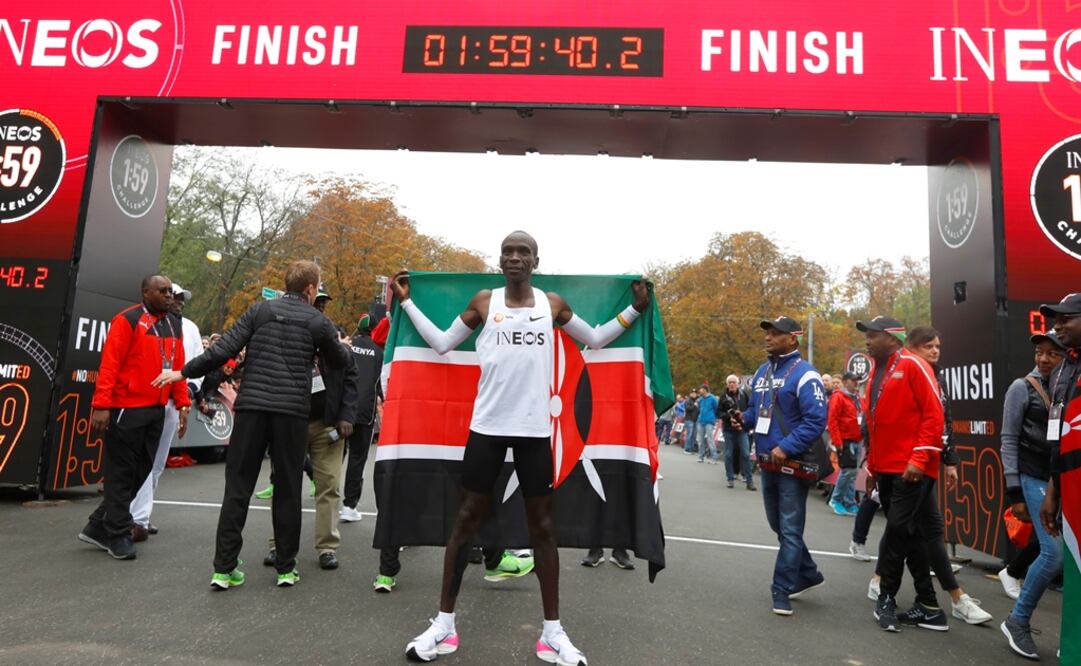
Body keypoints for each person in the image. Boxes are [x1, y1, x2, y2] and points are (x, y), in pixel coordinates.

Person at [392, 230, 650, 665]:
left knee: (543, 529)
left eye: (523, 252)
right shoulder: (483, 302)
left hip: (534, 432)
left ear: (535, 262)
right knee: (465, 522)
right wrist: (406, 303)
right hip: (487, 429)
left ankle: (552, 633)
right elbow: (441, 343)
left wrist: (634, 309)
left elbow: (595, 339)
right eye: (508, 252)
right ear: (500, 261)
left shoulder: (552, 305)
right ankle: (444, 625)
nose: (514, 258)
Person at [153, 260, 350, 590]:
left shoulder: (259, 311)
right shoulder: (318, 321)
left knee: (238, 488)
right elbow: (341, 362)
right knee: (288, 489)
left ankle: (223, 568)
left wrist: (183, 372)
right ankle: (286, 568)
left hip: (252, 410)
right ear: (310, 288)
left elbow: (223, 349)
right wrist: (336, 346)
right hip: (291, 413)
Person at [78, 275, 190, 560]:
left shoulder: (173, 324)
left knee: (142, 471)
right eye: (162, 291)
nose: (168, 295)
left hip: (156, 409)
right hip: (126, 408)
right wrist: (101, 405)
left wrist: (183, 402)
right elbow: (110, 364)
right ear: (145, 292)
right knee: (121, 472)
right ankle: (117, 534)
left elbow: (177, 366)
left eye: (170, 291)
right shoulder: (126, 320)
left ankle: (98, 525)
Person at [891, 326, 991, 628]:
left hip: (924, 465)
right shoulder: (902, 373)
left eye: (937, 346)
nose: (935, 351)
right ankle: (943, 598)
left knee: (921, 529)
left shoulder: (937, 377)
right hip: (904, 465)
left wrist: (949, 460)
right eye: (928, 346)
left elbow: (943, 422)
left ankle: (951, 599)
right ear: (911, 347)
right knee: (905, 529)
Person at [1000, 296, 1078, 659]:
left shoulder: (1067, 377)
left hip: (1061, 478)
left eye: (1052, 353)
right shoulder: (1022, 388)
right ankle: (1017, 620)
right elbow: (1008, 440)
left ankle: (1070, 637)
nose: (1044, 359)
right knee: (1054, 554)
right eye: (1039, 352)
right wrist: (1015, 490)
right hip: (1036, 478)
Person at [857, 316, 944, 633]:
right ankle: (929, 606)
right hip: (886, 467)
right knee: (910, 533)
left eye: (873, 335)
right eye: (867, 335)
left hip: (910, 468)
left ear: (892, 338)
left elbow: (935, 415)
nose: (867, 340)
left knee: (896, 531)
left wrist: (918, 459)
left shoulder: (913, 364)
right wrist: (872, 466)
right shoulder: (874, 372)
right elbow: (874, 424)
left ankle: (886, 597)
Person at [742, 316, 827, 616]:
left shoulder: (807, 374)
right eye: (767, 332)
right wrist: (742, 420)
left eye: (775, 333)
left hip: (792, 464)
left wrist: (786, 447)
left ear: (793, 338)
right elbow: (754, 411)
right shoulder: (762, 371)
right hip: (767, 464)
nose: (768, 337)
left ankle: (781, 588)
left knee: (790, 530)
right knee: (778, 526)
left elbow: (816, 420)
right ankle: (809, 573)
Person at [264, 324, 360, 571]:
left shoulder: (339, 351)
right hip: (290, 423)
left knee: (329, 485)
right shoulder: (289, 345)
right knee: (284, 484)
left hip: (327, 425)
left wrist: (347, 416)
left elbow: (351, 380)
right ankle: (278, 545)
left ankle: (327, 547)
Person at [129, 282, 203, 541]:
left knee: (157, 463)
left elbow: (196, 365)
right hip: (147, 401)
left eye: (181, 297)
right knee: (143, 460)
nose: (178, 300)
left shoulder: (190, 328)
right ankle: (136, 517)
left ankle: (141, 515)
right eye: (173, 295)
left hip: (174, 402)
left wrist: (187, 395)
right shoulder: (143, 322)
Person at [341, 314, 385, 524]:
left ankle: (327, 497)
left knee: (332, 456)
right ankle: (349, 506)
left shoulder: (347, 346)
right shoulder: (379, 353)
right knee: (357, 458)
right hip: (364, 413)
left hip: (341, 410)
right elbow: (381, 385)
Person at [827, 372, 863, 516]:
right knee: (847, 471)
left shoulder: (856, 397)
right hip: (846, 439)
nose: (856, 383)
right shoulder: (839, 397)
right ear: (846, 381)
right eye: (853, 381)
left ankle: (849, 502)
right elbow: (833, 420)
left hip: (856, 439)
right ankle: (836, 499)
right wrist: (838, 441)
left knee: (852, 473)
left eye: (857, 381)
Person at [719, 375, 754, 490]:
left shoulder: (744, 395)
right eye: (730, 382)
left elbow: (750, 409)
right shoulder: (723, 397)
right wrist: (729, 417)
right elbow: (719, 413)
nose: (732, 384)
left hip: (742, 429)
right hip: (729, 430)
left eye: (734, 382)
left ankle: (749, 480)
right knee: (729, 454)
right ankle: (730, 479)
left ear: (738, 384)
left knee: (746, 454)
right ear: (727, 384)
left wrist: (744, 419)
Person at [695, 384, 720, 464]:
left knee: (710, 440)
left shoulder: (713, 398)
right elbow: (699, 408)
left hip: (709, 421)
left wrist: (714, 417)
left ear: (705, 390)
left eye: (701, 389)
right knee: (700, 440)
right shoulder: (701, 399)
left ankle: (714, 458)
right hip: (700, 421)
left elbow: (717, 408)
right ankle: (700, 457)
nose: (699, 391)